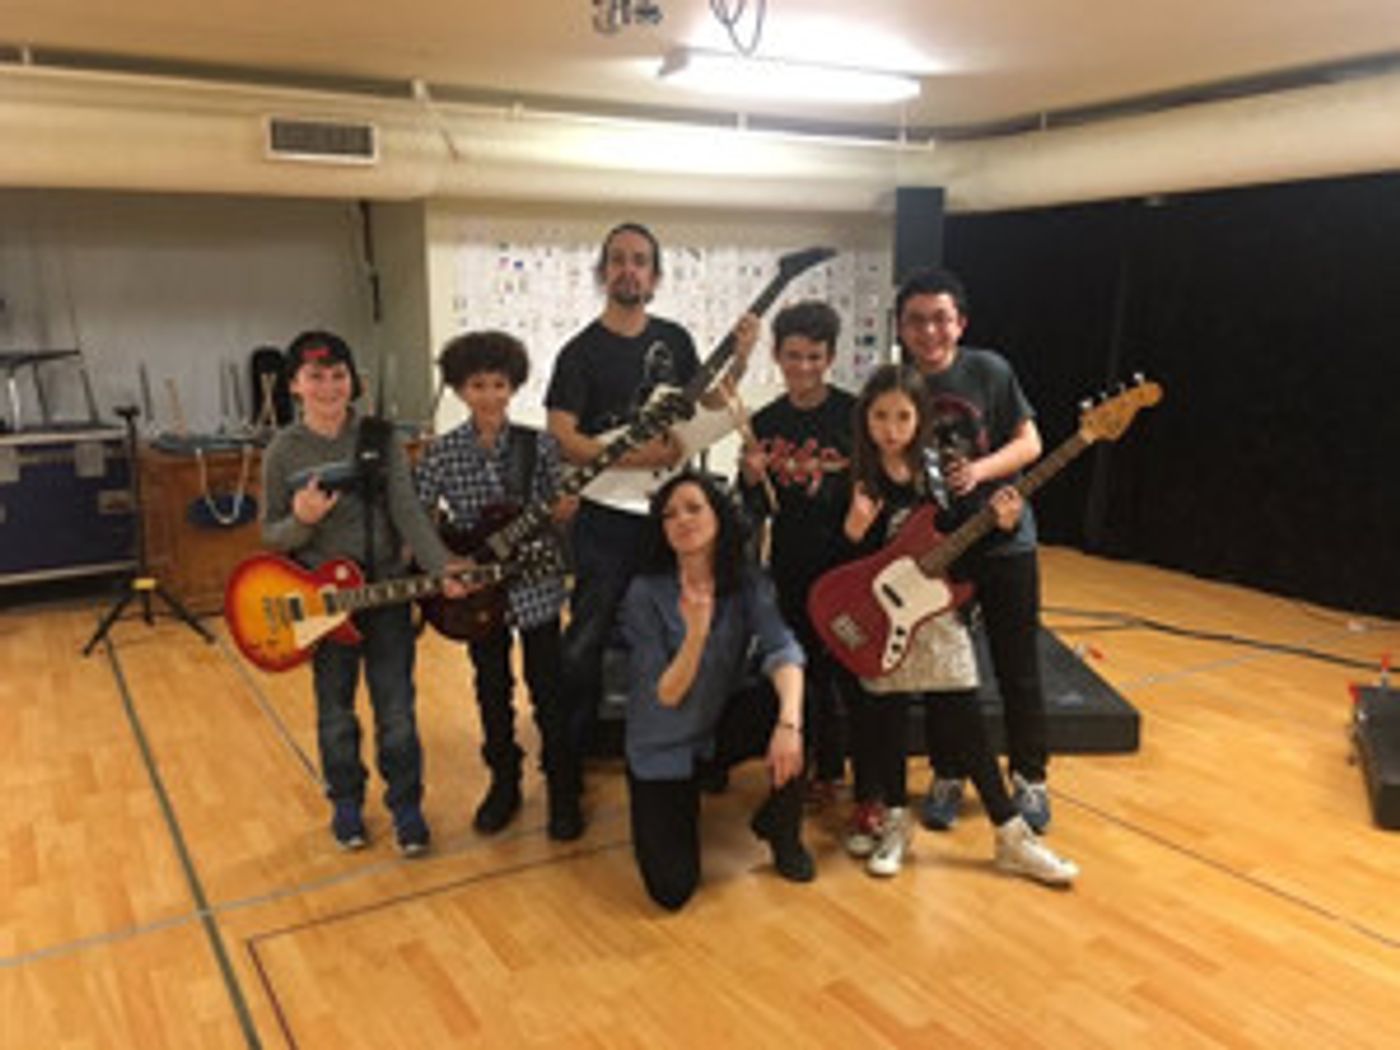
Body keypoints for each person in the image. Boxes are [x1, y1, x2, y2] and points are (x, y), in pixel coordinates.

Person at [839, 364, 1077, 883]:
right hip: (881, 619)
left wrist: (1002, 525)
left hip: (937, 615)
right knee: (888, 719)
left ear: (921, 419)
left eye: (903, 417)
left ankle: (1011, 835)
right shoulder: (857, 474)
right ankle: (896, 824)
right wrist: (854, 531)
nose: (891, 429)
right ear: (865, 419)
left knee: (967, 721)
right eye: (880, 416)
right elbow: (844, 567)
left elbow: (962, 542)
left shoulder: (938, 473)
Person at [545, 221, 755, 758]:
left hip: (668, 516)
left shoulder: (675, 340)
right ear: (603, 272)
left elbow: (708, 404)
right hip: (604, 517)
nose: (628, 269)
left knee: (680, 629)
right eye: (618, 259)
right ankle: (568, 764)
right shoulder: (579, 353)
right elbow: (563, 436)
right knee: (586, 640)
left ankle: (679, 749)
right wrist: (641, 456)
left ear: (655, 276)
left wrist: (741, 357)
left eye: (640, 261)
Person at [261, 330, 468, 856]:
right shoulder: (282, 452)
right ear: (295, 385)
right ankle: (346, 802)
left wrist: (441, 565)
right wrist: (302, 520)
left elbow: (407, 511)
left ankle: (406, 806)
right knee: (335, 711)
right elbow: (271, 535)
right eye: (316, 377)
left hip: (387, 595)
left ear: (353, 381)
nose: (329, 387)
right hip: (323, 606)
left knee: (396, 709)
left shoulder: (381, 437)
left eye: (338, 375)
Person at [895, 267, 1055, 834]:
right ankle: (948, 772)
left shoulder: (990, 370)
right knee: (945, 672)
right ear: (901, 328)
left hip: (1007, 540)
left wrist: (979, 473)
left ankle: (1030, 777)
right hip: (940, 550)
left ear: (960, 322)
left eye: (940, 319)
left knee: (1018, 667)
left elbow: (1030, 442)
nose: (929, 331)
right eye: (916, 321)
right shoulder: (896, 385)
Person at [415, 331, 584, 842]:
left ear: (513, 387)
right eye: (477, 385)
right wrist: (445, 563)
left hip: (535, 583)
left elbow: (561, 513)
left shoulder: (541, 445)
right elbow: (419, 518)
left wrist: (564, 511)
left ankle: (563, 787)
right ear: (459, 390)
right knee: (491, 688)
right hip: (477, 594)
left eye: (499, 384)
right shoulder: (441, 453)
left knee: (549, 688)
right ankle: (503, 782)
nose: (489, 396)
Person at [621, 471, 813, 911]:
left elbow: (782, 647)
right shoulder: (645, 592)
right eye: (670, 514)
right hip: (663, 747)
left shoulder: (745, 581)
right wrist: (696, 633)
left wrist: (789, 724)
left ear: (719, 517)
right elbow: (666, 695)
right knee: (671, 891)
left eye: (694, 508)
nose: (682, 520)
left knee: (800, 700)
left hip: (715, 727)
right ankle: (679, 797)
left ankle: (781, 829)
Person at [737, 300, 856, 809]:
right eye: (793, 356)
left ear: (830, 357)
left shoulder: (853, 414)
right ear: (777, 355)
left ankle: (835, 768)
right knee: (799, 665)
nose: (803, 367)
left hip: (847, 564)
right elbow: (751, 510)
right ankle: (801, 767)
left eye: (814, 356)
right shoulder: (765, 422)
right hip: (790, 562)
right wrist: (750, 479)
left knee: (842, 668)